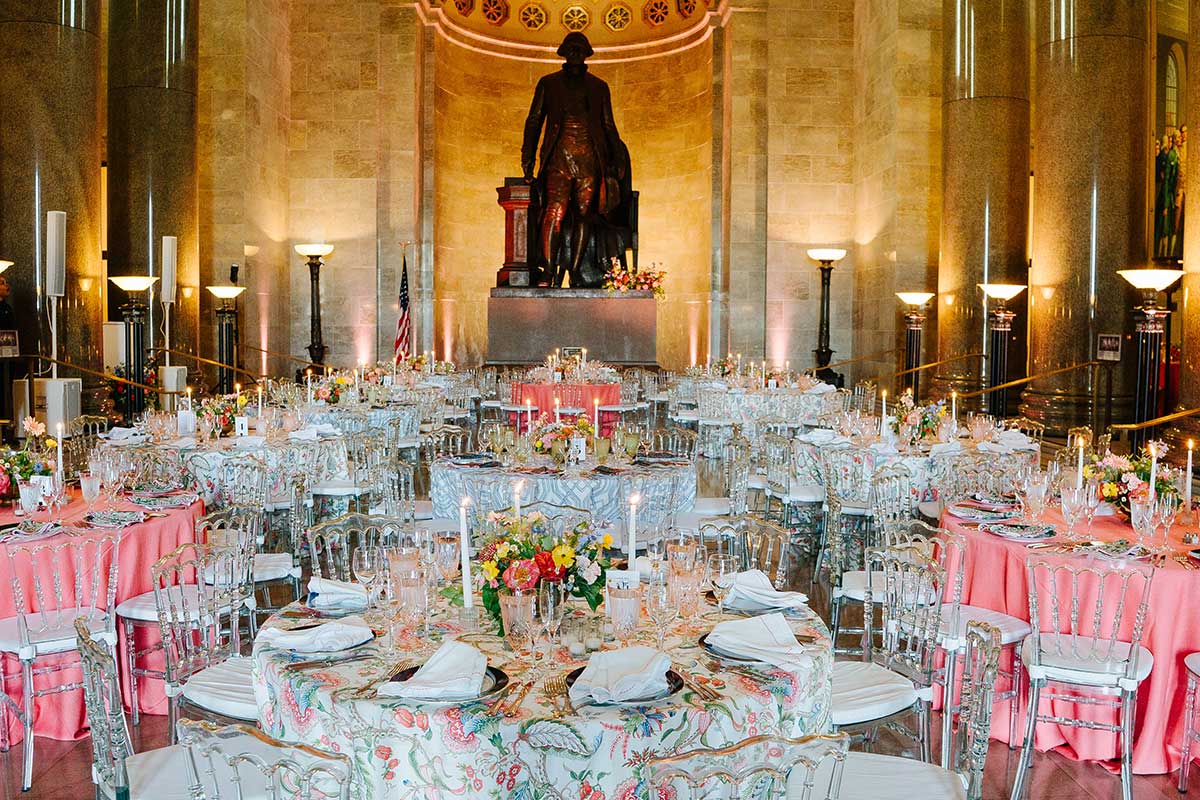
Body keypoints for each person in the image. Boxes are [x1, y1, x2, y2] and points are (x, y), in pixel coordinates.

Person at [521, 32, 626, 287]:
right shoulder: (549, 83)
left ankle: (577, 271)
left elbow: (608, 125)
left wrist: (618, 157)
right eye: (572, 47)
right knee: (553, 213)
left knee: (584, 216)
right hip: (558, 156)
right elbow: (534, 121)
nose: (576, 52)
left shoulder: (599, 86)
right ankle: (546, 271)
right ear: (564, 52)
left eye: (581, 48)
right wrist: (528, 157)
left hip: (590, 157)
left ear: (587, 52)